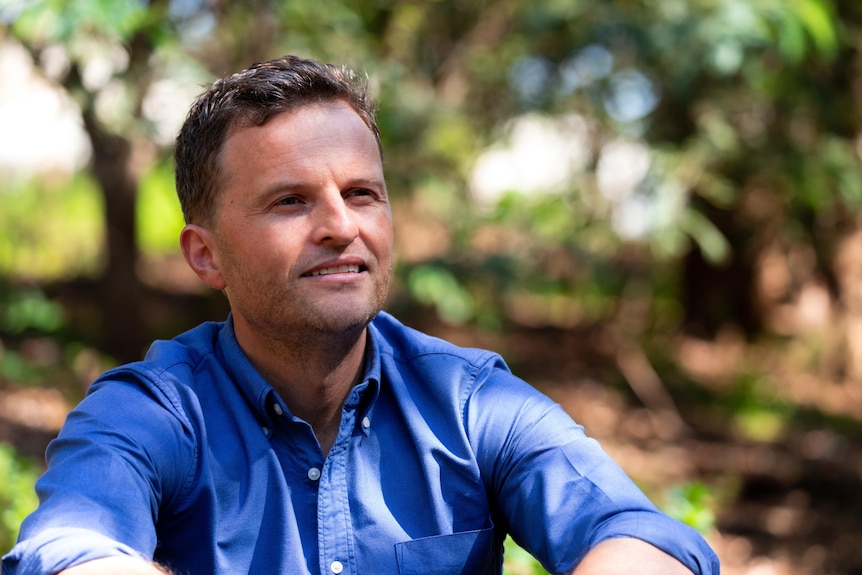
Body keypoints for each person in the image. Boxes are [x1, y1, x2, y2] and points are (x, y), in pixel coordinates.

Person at [2, 55, 719, 575]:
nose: (341, 226)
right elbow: (65, 550)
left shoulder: (471, 402)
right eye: (291, 201)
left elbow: (640, 533)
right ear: (204, 255)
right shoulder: (154, 411)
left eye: (363, 194)